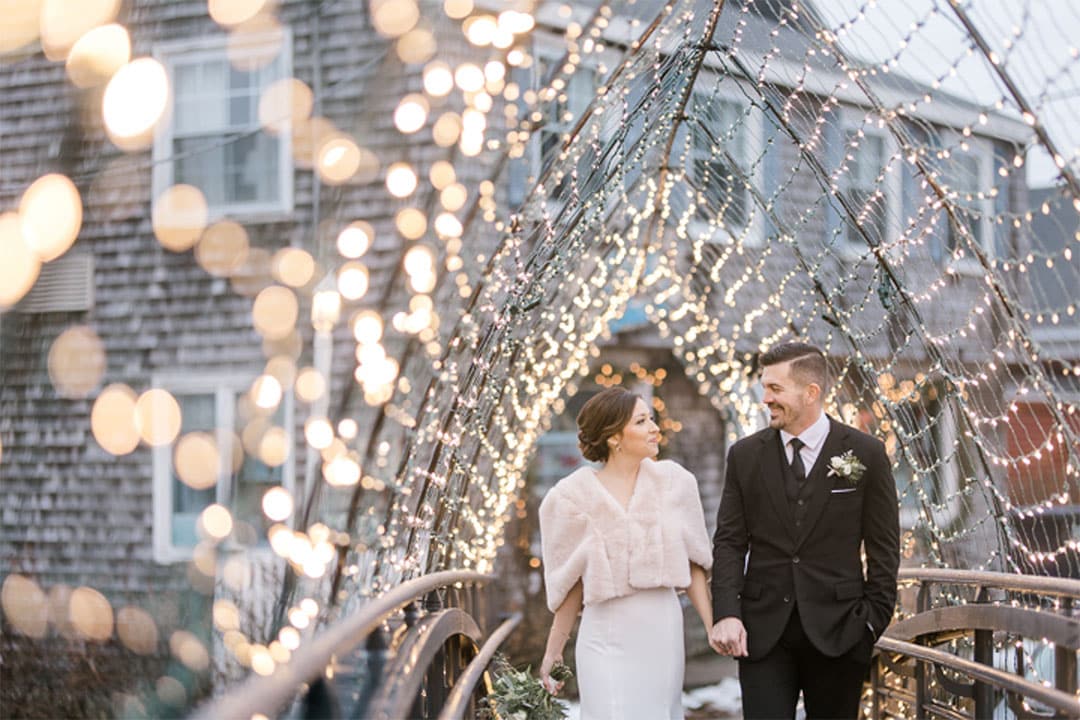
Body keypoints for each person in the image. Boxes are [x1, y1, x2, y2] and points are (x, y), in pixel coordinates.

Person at [709, 342, 900, 719]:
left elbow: (884, 547)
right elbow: (730, 541)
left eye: (775, 389)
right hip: (762, 634)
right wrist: (727, 612)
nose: (765, 398)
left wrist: (871, 622)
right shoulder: (745, 456)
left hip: (841, 631)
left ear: (811, 392)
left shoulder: (866, 453)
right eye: (764, 387)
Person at [537, 387, 714, 720]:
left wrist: (711, 625)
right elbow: (571, 581)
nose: (654, 428)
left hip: (661, 627)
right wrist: (554, 651)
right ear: (613, 436)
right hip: (603, 633)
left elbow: (693, 562)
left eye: (651, 419)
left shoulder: (675, 483)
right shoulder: (571, 498)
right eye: (642, 421)